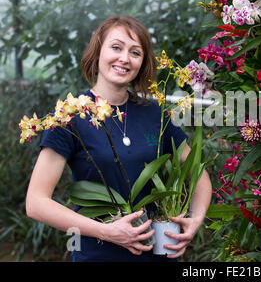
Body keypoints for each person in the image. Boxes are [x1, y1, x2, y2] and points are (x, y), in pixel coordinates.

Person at [25, 15, 212, 262]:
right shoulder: (70, 115)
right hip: (98, 254)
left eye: (135, 52)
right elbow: (36, 202)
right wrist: (108, 231)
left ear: (142, 62)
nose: (124, 58)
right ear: (98, 51)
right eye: (116, 47)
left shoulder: (155, 113)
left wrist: (195, 219)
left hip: (157, 253)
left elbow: (197, 173)